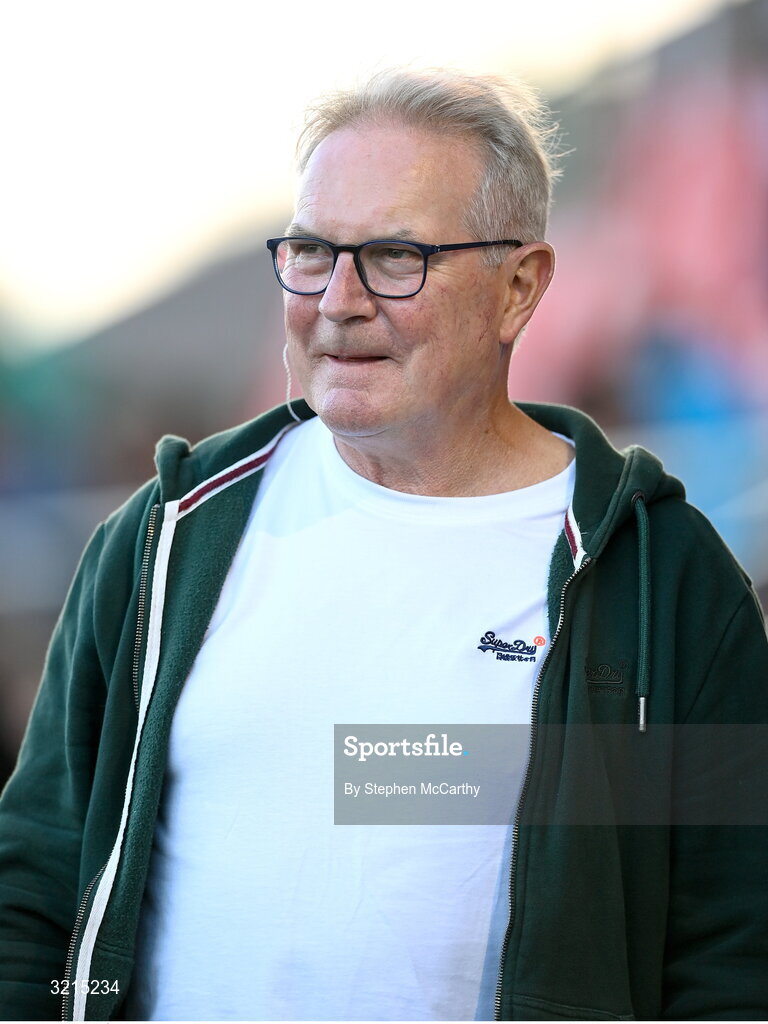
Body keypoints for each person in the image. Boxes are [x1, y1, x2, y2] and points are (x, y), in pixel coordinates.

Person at [0, 67, 766, 1023]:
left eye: (396, 256)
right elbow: (34, 888)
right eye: (315, 251)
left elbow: (731, 949)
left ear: (518, 289)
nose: (340, 299)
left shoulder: (660, 580)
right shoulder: (163, 543)